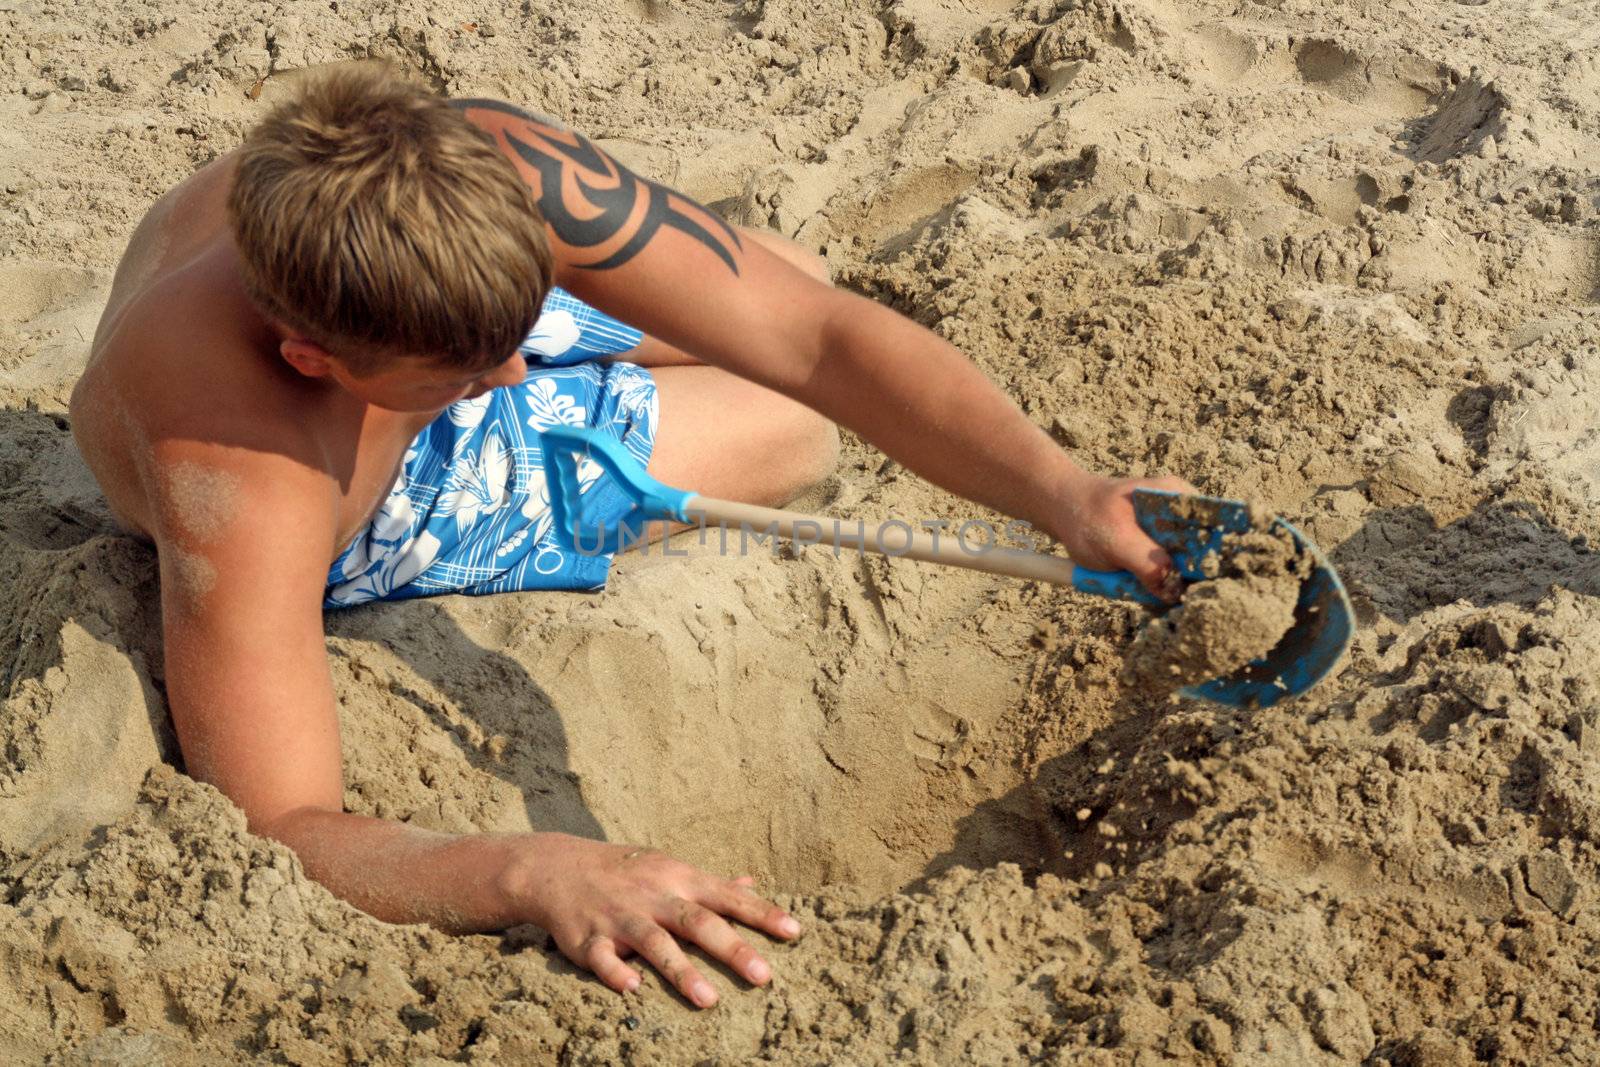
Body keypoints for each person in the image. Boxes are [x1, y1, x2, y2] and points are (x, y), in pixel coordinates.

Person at [69, 62, 1190, 1010]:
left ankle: (482, 330)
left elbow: (817, 334)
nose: (507, 380)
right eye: (467, 375)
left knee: (794, 278)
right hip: (356, 490)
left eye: (517, 337)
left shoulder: (474, 167)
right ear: (314, 359)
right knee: (787, 431)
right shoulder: (235, 463)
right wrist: (532, 866)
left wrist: (1064, 490)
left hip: (426, 296)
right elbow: (280, 817)